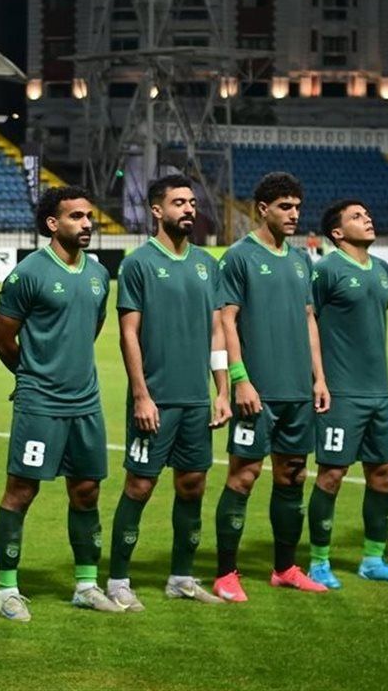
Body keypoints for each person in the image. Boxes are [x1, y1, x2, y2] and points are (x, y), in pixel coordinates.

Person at [0, 185, 123, 621]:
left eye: (89, 217)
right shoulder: (29, 273)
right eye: (76, 217)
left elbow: (91, 328)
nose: (87, 224)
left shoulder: (98, 274)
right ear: (52, 223)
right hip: (40, 403)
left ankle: (86, 585)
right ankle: (7, 590)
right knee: (21, 491)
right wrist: (32, 376)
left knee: (86, 491)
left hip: (85, 402)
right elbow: (2, 338)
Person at [104, 175, 231, 610]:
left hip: (196, 399)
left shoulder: (206, 264)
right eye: (179, 202)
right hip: (155, 399)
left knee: (193, 485)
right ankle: (118, 580)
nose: (189, 209)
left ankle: (181, 577)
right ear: (157, 211)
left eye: (192, 202)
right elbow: (129, 333)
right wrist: (141, 395)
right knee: (140, 485)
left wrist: (222, 390)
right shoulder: (139, 264)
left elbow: (217, 331)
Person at [211, 172, 330, 603]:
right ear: (263, 209)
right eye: (284, 206)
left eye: (297, 206)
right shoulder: (238, 257)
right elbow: (226, 322)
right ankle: (226, 574)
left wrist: (319, 377)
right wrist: (239, 380)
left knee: (292, 476)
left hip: (297, 391)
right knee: (243, 476)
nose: (294, 214)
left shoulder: (301, 260)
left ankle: (285, 568)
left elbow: (309, 320)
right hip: (257, 392)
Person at [305, 200, 388, 587]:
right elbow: (308, 324)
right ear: (337, 233)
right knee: (332, 474)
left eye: (367, 214)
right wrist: (319, 379)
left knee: (383, 474)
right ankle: (319, 562)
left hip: (379, 393)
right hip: (341, 393)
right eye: (357, 217)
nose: (367, 219)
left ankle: (373, 559)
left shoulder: (383, 270)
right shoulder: (325, 271)